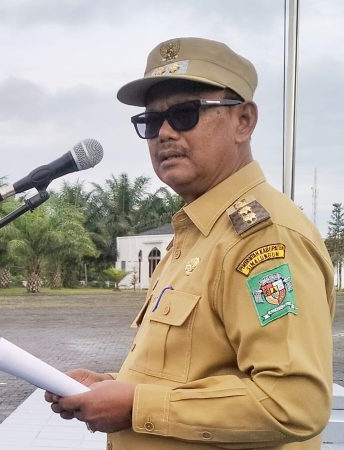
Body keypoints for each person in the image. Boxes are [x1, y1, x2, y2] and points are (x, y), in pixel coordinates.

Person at [45, 37, 335, 449]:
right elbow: (194, 370)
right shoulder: (197, 234)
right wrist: (113, 385)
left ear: (244, 121)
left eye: (185, 114)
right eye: (151, 121)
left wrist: (136, 405)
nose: (164, 133)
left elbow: (293, 402)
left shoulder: (264, 238)